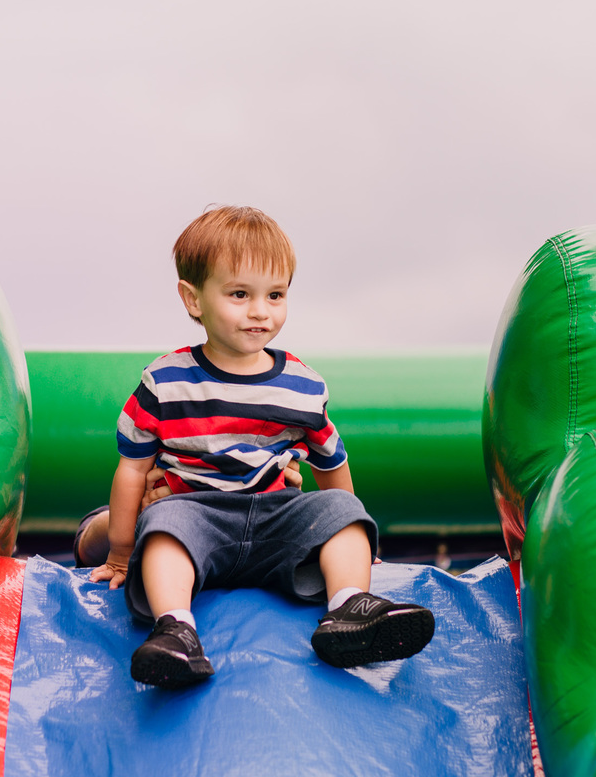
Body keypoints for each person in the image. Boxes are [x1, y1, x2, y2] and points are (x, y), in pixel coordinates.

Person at [89, 205, 434, 688]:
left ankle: (349, 606)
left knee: (341, 509)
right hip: (197, 514)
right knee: (164, 525)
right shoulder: (166, 382)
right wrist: (121, 554)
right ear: (193, 300)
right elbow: (131, 469)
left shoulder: (302, 384)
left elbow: (332, 463)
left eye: (275, 295)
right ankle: (175, 629)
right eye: (239, 294)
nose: (260, 311)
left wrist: (351, 533)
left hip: (275, 516)